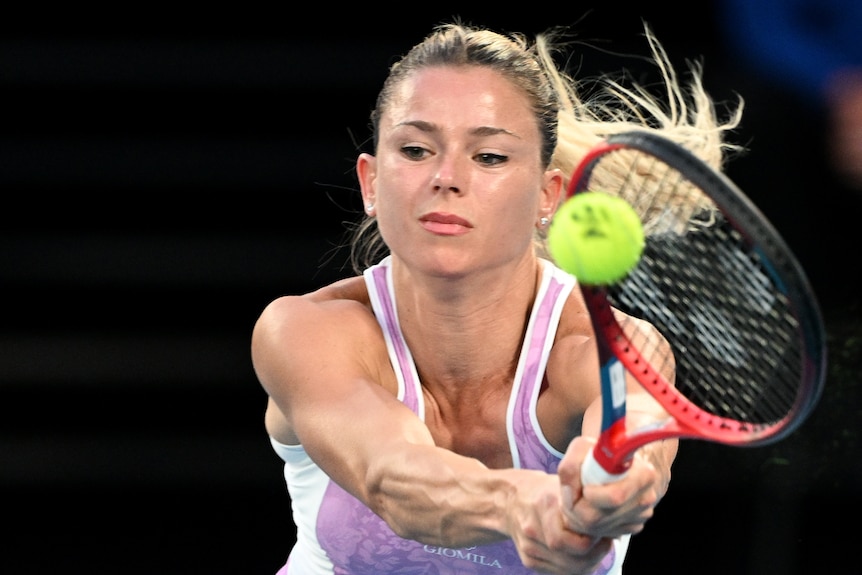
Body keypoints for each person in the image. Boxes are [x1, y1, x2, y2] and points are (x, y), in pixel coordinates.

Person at [251, 20, 742, 575]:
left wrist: (621, 481)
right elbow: (390, 475)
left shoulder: (612, 351)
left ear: (547, 194)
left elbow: (637, 439)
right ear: (369, 183)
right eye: (415, 149)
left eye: (489, 157)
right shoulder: (305, 330)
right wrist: (517, 505)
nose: (446, 176)